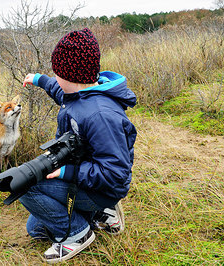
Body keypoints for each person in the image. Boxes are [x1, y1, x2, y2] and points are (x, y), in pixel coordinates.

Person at [20, 27, 137, 263]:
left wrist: (67, 172)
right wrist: (40, 80)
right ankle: (102, 213)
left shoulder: (100, 115)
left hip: (101, 187)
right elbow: (61, 91)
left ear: (70, 75)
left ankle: (78, 234)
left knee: (25, 186)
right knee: (37, 230)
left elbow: (115, 173)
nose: (54, 77)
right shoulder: (80, 92)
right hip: (87, 179)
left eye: (56, 73)